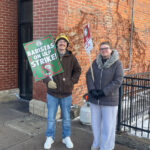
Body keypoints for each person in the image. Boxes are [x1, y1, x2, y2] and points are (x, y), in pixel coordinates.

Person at [43, 34, 81, 149]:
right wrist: (47, 81)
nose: (62, 43)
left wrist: (71, 81)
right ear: (56, 44)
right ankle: (50, 137)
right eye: (60, 42)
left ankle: (66, 137)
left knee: (66, 118)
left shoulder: (72, 58)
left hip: (66, 94)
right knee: (50, 118)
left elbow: (78, 70)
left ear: (67, 45)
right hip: (52, 94)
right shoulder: (50, 57)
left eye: (64, 42)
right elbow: (42, 71)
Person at [86, 41, 124, 150]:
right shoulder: (95, 62)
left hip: (109, 100)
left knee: (108, 126)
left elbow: (118, 80)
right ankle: (96, 142)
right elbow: (89, 75)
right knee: (95, 124)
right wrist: (92, 90)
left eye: (106, 48)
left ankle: (106, 146)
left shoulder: (117, 64)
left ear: (111, 49)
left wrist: (104, 92)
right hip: (95, 99)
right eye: (101, 49)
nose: (104, 50)